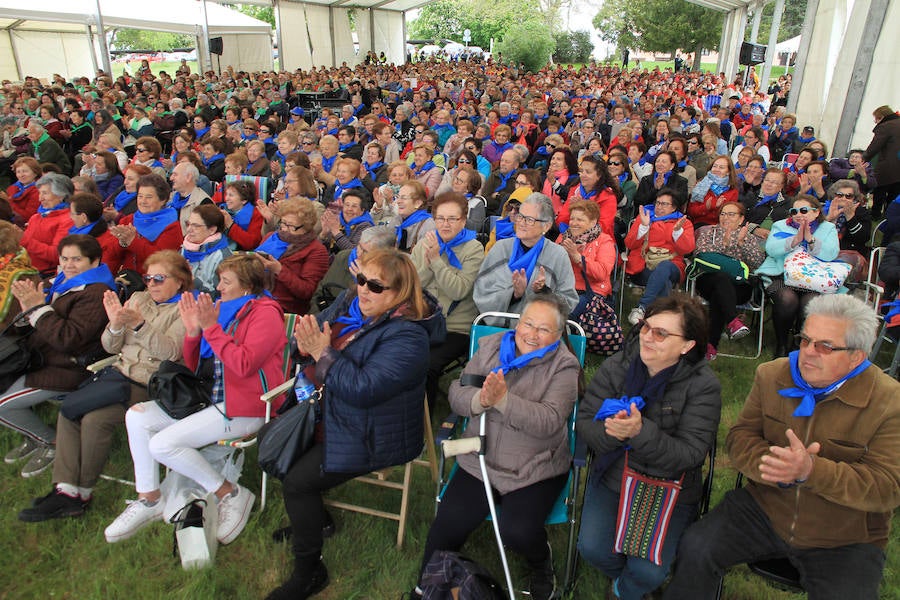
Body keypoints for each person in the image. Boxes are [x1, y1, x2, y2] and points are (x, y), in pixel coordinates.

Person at [664, 294, 900, 600]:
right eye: (805, 340)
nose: (808, 353)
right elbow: (740, 438)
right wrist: (775, 465)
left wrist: (811, 471)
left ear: (857, 356)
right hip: (765, 508)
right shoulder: (773, 374)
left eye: (825, 346)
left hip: (846, 534)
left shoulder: (890, 401)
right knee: (696, 547)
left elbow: (888, 487)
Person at [266, 249, 436, 600]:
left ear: (400, 294)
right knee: (275, 448)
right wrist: (305, 345)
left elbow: (363, 389)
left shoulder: (409, 337)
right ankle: (317, 521)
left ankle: (309, 571)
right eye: (360, 280)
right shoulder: (350, 306)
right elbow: (308, 337)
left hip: (369, 430)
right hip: (326, 411)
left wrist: (322, 353)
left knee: (298, 481)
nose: (363, 290)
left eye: (376, 286)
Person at [104, 254, 287, 545]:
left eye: (226, 282)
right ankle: (150, 498)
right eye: (219, 281)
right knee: (137, 416)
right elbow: (192, 367)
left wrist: (211, 329)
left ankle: (229, 492)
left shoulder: (265, 313)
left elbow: (244, 364)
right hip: (206, 398)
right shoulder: (221, 309)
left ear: (248, 286)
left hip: (246, 405)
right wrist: (193, 331)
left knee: (163, 444)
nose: (219, 287)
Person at [411, 293, 582, 600]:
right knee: (447, 525)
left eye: (543, 329)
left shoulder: (564, 367)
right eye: (527, 323)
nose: (531, 334)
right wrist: (480, 401)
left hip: (535, 466)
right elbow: (457, 391)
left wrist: (503, 401)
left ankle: (541, 563)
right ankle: (427, 587)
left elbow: (549, 420)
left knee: (518, 531)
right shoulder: (492, 346)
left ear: (558, 336)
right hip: (481, 458)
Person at [17, 251, 190, 522]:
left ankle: (77, 493)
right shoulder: (138, 299)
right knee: (82, 414)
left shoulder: (184, 310)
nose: (152, 284)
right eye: (148, 278)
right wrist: (116, 326)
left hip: (152, 385)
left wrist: (139, 325)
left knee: (84, 414)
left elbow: (170, 353)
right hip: (119, 375)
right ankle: (68, 490)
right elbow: (110, 346)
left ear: (180, 282)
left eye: (159, 278)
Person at [577, 294, 720, 600]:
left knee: (648, 572)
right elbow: (586, 421)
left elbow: (691, 455)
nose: (647, 338)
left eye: (661, 334)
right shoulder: (620, 364)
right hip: (614, 476)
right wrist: (613, 433)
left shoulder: (703, 386)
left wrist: (639, 433)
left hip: (668, 487)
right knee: (592, 550)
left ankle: (623, 590)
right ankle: (633, 584)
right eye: (646, 328)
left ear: (687, 346)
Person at [0, 235, 114, 478]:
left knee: (2, 406)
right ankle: (33, 435)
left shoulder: (96, 293)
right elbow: (38, 324)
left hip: (70, 369)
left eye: (77, 259)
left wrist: (38, 309)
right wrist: (26, 310)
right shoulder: (63, 282)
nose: (69, 264)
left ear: (95, 261)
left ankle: (50, 442)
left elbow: (69, 340)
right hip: (41, 358)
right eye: (64, 258)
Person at [411, 193, 485, 410]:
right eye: (441, 218)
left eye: (452, 219)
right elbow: (415, 283)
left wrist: (435, 260)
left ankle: (422, 423)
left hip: (454, 327)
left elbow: (458, 290)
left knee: (428, 364)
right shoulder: (426, 242)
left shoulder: (474, 249)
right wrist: (428, 258)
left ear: (463, 221)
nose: (445, 224)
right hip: (423, 319)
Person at [756, 195, 840, 357]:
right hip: (781, 274)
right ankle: (781, 344)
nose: (798, 214)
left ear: (816, 212)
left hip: (814, 279)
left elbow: (831, 254)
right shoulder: (780, 225)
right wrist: (794, 240)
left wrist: (810, 239)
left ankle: (799, 342)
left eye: (804, 210)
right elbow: (771, 249)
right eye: (794, 211)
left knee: (810, 302)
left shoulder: (827, 228)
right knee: (787, 299)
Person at [474, 192, 578, 315]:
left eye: (529, 220)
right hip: (499, 329)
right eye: (520, 216)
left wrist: (544, 291)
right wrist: (514, 294)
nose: (522, 223)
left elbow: (569, 303)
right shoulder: (500, 248)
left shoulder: (558, 255)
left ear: (546, 226)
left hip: (540, 329)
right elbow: (481, 291)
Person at [692, 202, 767, 360]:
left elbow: (757, 263)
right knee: (721, 279)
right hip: (708, 282)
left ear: (741, 219)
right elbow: (700, 253)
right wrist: (724, 245)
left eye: (731, 214)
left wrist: (741, 244)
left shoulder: (748, 237)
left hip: (740, 287)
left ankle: (711, 345)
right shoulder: (709, 233)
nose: (725, 217)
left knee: (719, 295)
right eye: (723, 214)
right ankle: (733, 321)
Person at [624, 190, 696, 325]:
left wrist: (677, 232)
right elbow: (629, 244)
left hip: (672, 265)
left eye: (664, 204)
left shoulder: (683, 223)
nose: (659, 207)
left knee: (664, 266)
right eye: (657, 203)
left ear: (674, 207)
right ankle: (664, 319)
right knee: (664, 282)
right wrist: (644, 227)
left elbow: (687, 250)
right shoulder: (644, 217)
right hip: (644, 265)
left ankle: (642, 308)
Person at [254, 198, 329, 315]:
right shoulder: (271, 237)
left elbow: (307, 291)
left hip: (285, 307)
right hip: (256, 295)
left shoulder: (316, 250)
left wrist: (279, 270)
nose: (285, 229)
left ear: (306, 227)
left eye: (292, 226)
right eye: (283, 223)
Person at [111, 174, 183, 274]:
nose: (143, 201)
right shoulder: (128, 220)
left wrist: (133, 241)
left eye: (149, 197)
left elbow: (161, 259)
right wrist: (122, 242)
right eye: (140, 196)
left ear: (162, 200)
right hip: (127, 279)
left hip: (155, 280)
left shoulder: (172, 226)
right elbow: (113, 255)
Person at [557, 200, 617, 315]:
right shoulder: (563, 238)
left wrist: (577, 257)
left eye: (580, 220)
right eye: (572, 218)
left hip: (591, 292)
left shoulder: (604, 241)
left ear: (593, 222)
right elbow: (552, 265)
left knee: (563, 310)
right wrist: (561, 254)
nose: (573, 223)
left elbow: (601, 273)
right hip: (564, 288)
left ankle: (565, 330)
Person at [20, 173, 75, 275]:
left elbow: (56, 255)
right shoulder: (36, 217)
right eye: (39, 193)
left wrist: (23, 239)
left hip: (46, 274)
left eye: (45, 193)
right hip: (26, 269)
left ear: (61, 196)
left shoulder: (68, 220)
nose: (40, 198)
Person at [181, 204, 232, 294]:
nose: (189, 230)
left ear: (212, 230)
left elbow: (219, 295)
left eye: (196, 226)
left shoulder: (223, 257)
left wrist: (193, 281)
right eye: (188, 224)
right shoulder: (184, 248)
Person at [862, 105, 900, 219]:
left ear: (882, 117)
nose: (875, 121)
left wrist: (864, 158)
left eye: (876, 118)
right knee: (895, 193)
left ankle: (875, 214)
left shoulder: (885, 126)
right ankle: (890, 216)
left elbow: (875, 146)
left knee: (880, 190)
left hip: (888, 166)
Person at [687, 155, 740, 228]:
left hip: (721, 226)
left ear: (728, 172)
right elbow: (691, 212)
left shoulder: (732, 191)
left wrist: (718, 207)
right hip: (700, 226)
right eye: (715, 166)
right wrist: (706, 207)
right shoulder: (700, 186)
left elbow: (731, 216)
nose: (717, 169)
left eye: (721, 167)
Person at [319, 188, 373, 254]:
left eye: (354, 206)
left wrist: (336, 232)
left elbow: (353, 252)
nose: (349, 209)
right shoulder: (337, 221)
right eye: (347, 205)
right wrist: (323, 234)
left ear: (362, 211)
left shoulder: (366, 227)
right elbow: (320, 250)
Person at [218, 179, 264, 251]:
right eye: (226, 194)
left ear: (243, 200)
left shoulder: (256, 215)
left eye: (231, 195)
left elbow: (251, 243)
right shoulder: (222, 209)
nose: (226, 198)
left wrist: (231, 226)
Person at [168, 161, 213, 234]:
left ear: (188, 177)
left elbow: (205, 233)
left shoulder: (203, 202)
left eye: (175, 174)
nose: (171, 178)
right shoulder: (171, 197)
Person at [392, 180, 436, 252]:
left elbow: (424, 259)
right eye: (398, 197)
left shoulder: (429, 226)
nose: (398, 201)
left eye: (404, 198)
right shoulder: (397, 220)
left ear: (417, 203)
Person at [7, 156, 42, 225]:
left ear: (35, 173)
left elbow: (28, 216)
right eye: (18, 172)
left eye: (25, 171)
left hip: (24, 224)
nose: (21, 175)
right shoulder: (15, 187)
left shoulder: (38, 190)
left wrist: (8, 202)